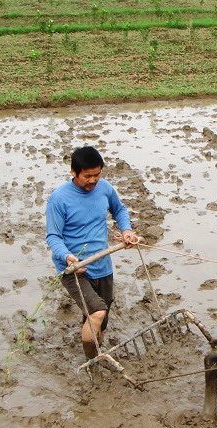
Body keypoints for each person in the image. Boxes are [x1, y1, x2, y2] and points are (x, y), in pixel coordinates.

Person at [46, 146, 139, 361]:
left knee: (101, 317)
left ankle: (97, 346)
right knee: (97, 312)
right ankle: (92, 362)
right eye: (87, 176)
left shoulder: (105, 188)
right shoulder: (59, 199)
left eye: (97, 175)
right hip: (74, 269)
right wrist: (68, 257)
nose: (93, 180)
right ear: (73, 172)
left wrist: (126, 230)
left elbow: (119, 210)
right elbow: (53, 237)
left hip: (102, 263)